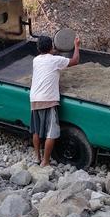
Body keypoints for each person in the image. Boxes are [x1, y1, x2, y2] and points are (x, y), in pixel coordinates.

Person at [30, 34, 80, 167]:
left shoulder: (36, 60)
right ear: (51, 46)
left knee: (36, 131)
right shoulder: (56, 60)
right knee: (51, 133)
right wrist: (76, 45)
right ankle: (46, 161)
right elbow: (75, 60)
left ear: (38, 48)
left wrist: (52, 50)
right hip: (49, 100)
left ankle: (37, 157)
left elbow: (48, 56)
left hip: (34, 99)